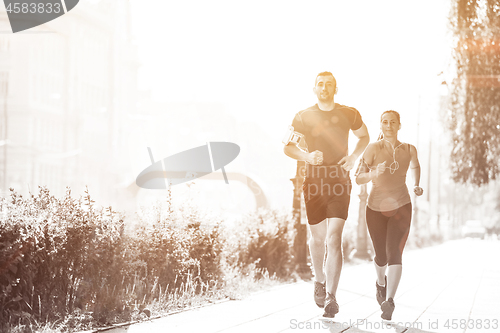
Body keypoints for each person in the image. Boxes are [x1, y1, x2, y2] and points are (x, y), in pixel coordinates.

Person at [283, 71, 369, 318]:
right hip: (314, 183)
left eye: (329, 84)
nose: (324, 88)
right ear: (314, 89)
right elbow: (288, 147)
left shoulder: (349, 113)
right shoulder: (303, 116)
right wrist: (307, 156)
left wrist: (353, 157)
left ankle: (332, 296)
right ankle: (319, 280)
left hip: (340, 182)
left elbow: (364, 136)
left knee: (334, 239)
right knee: (318, 239)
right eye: (320, 84)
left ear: (335, 88)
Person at [355, 110, 423, 320]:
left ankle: (390, 301)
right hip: (375, 209)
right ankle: (380, 283)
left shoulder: (409, 149)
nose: (389, 125)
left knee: (395, 252)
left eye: (393, 122)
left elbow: (416, 165)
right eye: (385, 122)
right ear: (381, 125)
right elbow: (358, 178)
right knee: (381, 256)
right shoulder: (372, 148)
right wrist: (374, 173)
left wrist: (417, 184)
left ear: (399, 125)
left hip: (401, 206)